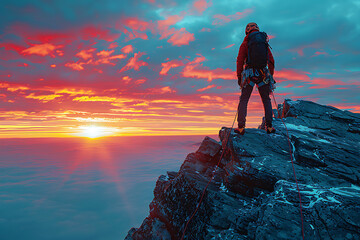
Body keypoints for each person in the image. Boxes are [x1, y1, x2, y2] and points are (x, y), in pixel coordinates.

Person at [235, 22, 276, 135]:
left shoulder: (246, 42)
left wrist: (239, 76)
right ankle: (269, 127)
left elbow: (239, 60)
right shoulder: (263, 42)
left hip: (249, 74)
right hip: (263, 74)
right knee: (266, 100)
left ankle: (241, 127)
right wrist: (270, 76)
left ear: (247, 31)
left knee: (244, 100)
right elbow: (271, 61)